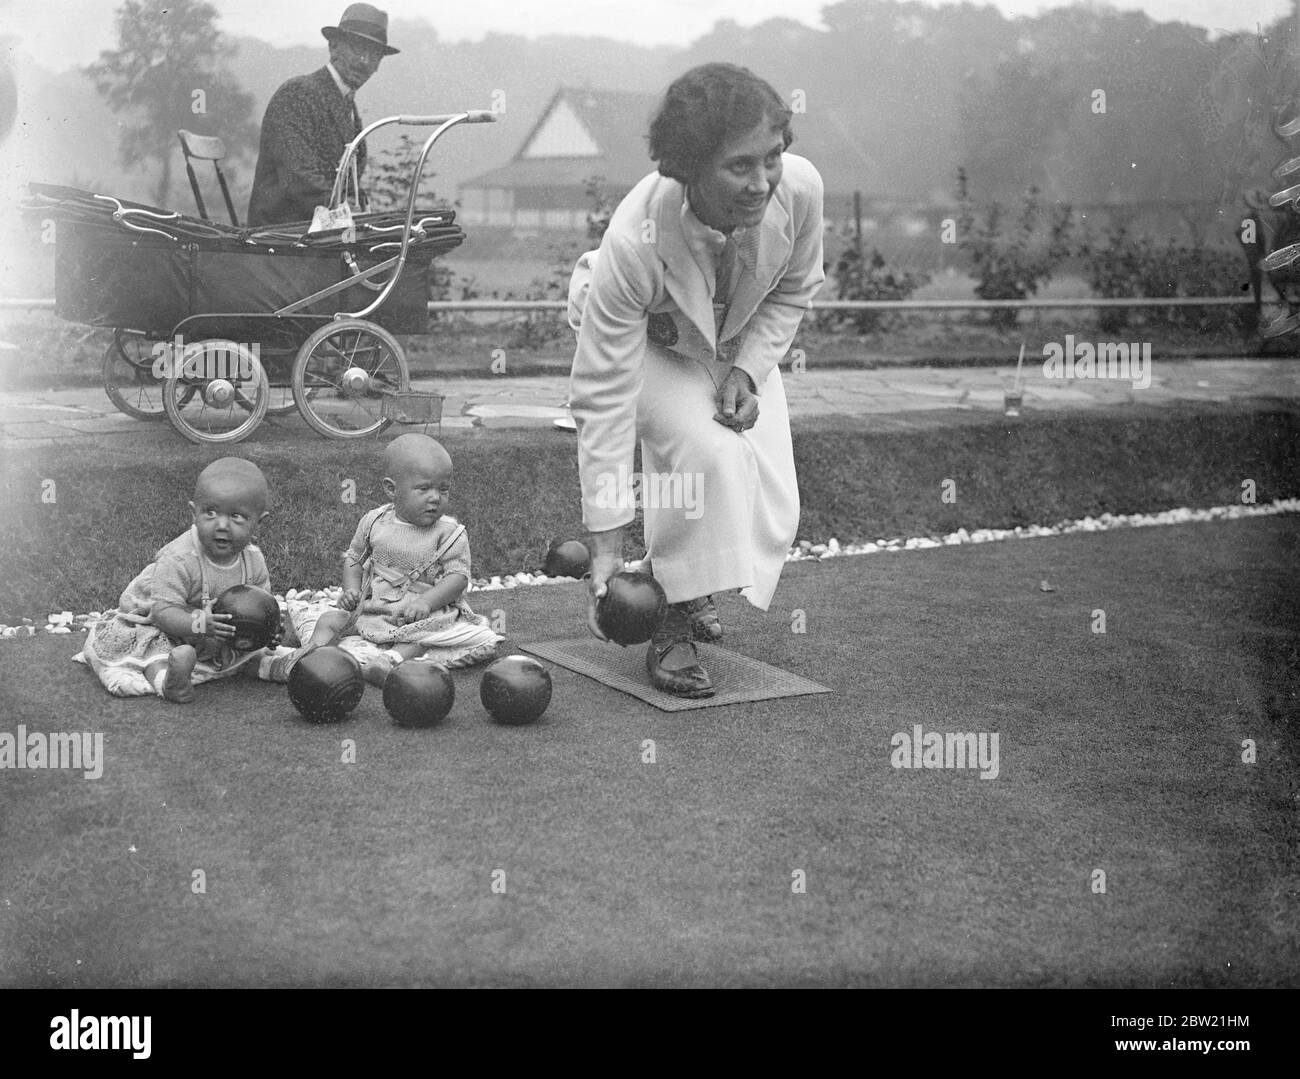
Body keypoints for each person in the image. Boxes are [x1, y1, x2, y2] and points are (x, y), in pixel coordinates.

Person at [568, 63, 825, 698]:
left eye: (772, 157)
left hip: (732, 341)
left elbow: (793, 291)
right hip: (644, 336)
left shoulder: (801, 189)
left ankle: (680, 579)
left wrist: (747, 370)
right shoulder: (636, 240)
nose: (762, 182)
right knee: (705, 449)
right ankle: (674, 622)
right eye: (739, 166)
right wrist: (604, 551)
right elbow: (602, 400)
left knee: (763, 478)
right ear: (687, 168)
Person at [74, 458, 296, 703]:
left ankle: (269, 667)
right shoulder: (179, 558)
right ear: (194, 513)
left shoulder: (253, 560)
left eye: (236, 516)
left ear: (258, 522)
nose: (221, 525)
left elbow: (260, 607)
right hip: (156, 621)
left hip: (212, 630)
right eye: (210, 513)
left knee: (246, 649)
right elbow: (163, 613)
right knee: (154, 651)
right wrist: (201, 624)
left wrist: (269, 629)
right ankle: (168, 681)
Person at [290, 434, 502, 685]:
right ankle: (313, 658)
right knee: (328, 620)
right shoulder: (374, 522)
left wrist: (426, 602)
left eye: (443, 489)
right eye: (423, 489)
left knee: (421, 638)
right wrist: (351, 590)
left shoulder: (450, 533)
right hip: (373, 607)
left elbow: (458, 578)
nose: (435, 497)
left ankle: (388, 660)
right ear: (391, 489)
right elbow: (354, 559)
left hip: (422, 614)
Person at [246, 4, 399, 227]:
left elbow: (345, 185)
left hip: (321, 236)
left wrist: (362, 208)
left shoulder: (347, 106)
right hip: (281, 239)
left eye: (375, 54)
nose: (365, 61)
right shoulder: (297, 94)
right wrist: (347, 213)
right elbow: (298, 178)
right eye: (358, 48)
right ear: (334, 47)